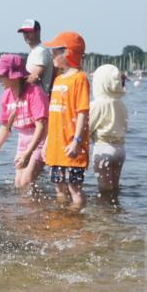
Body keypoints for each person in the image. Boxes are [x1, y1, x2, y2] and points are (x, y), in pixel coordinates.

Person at [0, 54, 48, 188]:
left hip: (41, 141)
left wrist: (28, 154)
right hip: (22, 142)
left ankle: (39, 206)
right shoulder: (6, 96)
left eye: (2, 75)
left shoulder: (34, 92)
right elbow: (5, 126)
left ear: (14, 76)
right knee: (18, 184)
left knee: (26, 181)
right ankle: (31, 208)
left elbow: (41, 126)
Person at [42, 31, 90, 210]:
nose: (52, 54)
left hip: (71, 146)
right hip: (56, 146)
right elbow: (54, 115)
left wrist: (77, 141)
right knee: (59, 188)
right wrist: (47, 142)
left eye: (55, 51)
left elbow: (82, 112)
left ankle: (76, 220)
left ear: (67, 52)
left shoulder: (80, 79)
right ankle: (62, 219)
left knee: (74, 188)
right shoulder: (59, 79)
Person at [89, 64, 128, 198]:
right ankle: (115, 211)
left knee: (104, 189)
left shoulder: (97, 104)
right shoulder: (121, 104)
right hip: (120, 150)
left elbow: (88, 127)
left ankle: (104, 215)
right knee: (115, 187)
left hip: (103, 149)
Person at [17, 19, 55, 96]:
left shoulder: (40, 51)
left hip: (38, 99)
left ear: (38, 32)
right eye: (24, 32)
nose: (26, 35)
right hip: (34, 98)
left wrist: (17, 92)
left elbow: (34, 77)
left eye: (29, 31)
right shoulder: (35, 51)